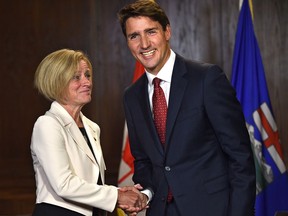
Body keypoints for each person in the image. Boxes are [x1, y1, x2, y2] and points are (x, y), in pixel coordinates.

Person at [117, 1, 256, 215]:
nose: (144, 44)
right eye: (134, 36)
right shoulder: (132, 96)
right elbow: (144, 162)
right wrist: (145, 194)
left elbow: (240, 156)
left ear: (167, 31)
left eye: (151, 32)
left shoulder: (206, 79)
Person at [30, 49, 146, 216]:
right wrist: (116, 196)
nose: (87, 82)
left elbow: (90, 182)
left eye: (88, 75)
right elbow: (63, 184)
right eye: (77, 77)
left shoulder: (92, 127)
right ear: (57, 81)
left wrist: (118, 193)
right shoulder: (47, 124)